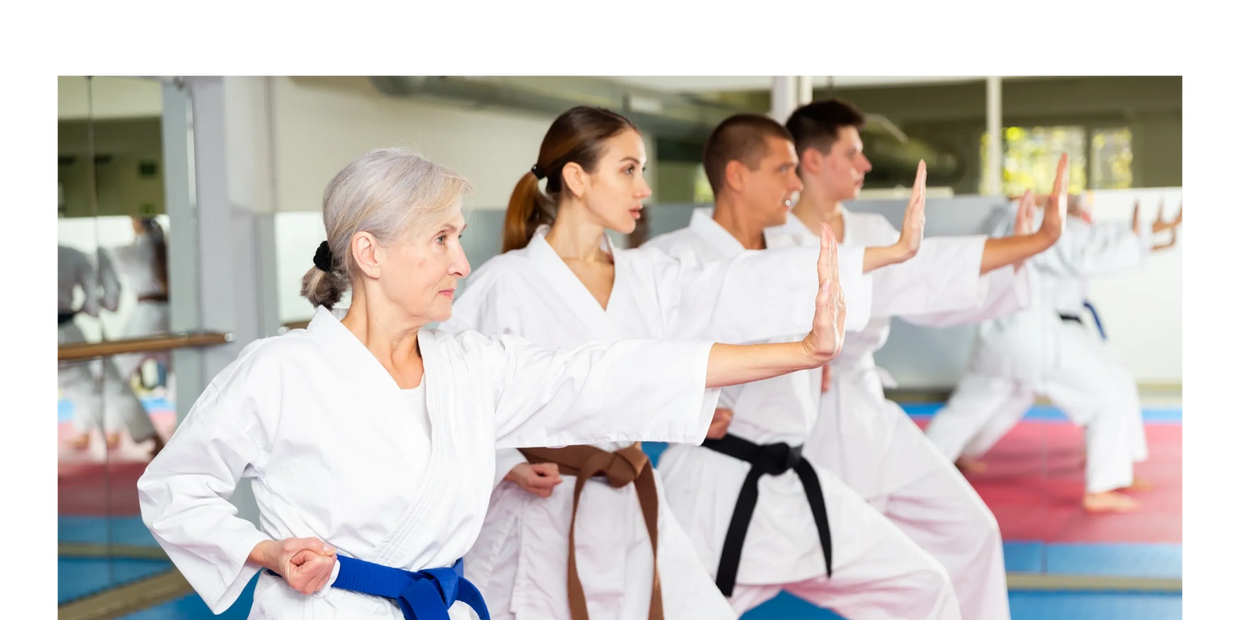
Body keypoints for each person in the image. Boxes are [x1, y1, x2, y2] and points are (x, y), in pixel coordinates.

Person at [136, 146, 850, 620]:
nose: (462, 263)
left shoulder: (470, 366)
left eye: (458, 237)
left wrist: (799, 350)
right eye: (441, 239)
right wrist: (263, 551)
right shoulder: (281, 372)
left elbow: (607, 372)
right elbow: (175, 487)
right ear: (370, 254)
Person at [439, 105, 916, 620]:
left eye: (642, 170)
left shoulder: (649, 275)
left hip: (630, 503)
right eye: (628, 170)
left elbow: (740, 283)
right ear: (577, 178)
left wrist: (877, 255)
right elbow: (446, 388)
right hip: (542, 515)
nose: (643, 188)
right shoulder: (505, 283)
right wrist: (506, 462)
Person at [644, 111, 1058, 620]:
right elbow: (619, 363)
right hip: (713, 487)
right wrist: (680, 406)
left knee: (923, 585)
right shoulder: (671, 258)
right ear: (737, 175)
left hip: (795, 476)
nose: (795, 184)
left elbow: (912, 273)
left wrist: (1022, 245)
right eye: (783, 170)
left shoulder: (795, 250)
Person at [780, 99, 1068, 620]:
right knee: (859, 575)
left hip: (870, 412)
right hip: (804, 425)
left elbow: (926, 282)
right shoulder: (775, 240)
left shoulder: (870, 230)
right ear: (814, 160)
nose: (866, 164)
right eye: (853, 153)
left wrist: (1016, 252)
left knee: (973, 531)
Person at [924, 195, 1184, 513]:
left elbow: (1094, 236)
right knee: (1107, 392)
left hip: (998, 335)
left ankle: (933, 462)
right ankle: (1101, 487)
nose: (1078, 207)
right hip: (1030, 335)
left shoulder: (1013, 218)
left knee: (977, 405)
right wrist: (1136, 238)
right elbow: (1080, 255)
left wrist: (1146, 231)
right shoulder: (1036, 221)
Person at [57, 243, 163, 455]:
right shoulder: (72, 255)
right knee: (98, 385)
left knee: (89, 386)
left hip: (69, 331)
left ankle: (94, 432)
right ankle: (148, 437)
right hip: (68, 331)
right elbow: (104, 303)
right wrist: (82, 308)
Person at [110, 216, 172, 391]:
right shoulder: (171, 246)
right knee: (182, 372)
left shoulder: (129, 252)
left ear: (137, 222)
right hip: (173, 313)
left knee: (118, 371)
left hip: (146, 315)